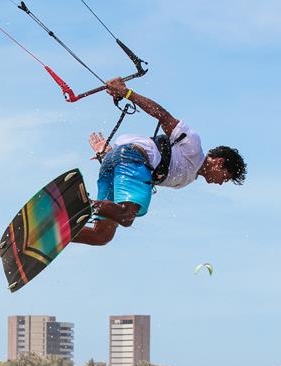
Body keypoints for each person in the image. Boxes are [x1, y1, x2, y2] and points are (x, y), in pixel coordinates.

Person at [73, 77, 247, 246]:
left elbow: (129, 176)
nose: (222, 183)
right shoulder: (193, 146)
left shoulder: (188, 178)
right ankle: (77, 205)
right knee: (126, 216)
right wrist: (126, 93)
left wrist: (107, 154)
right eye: (226, 176)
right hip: (133, 156)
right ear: (219, 162)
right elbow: (163, 116)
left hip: (117, 159)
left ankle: (58, 233)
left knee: (101, 235)